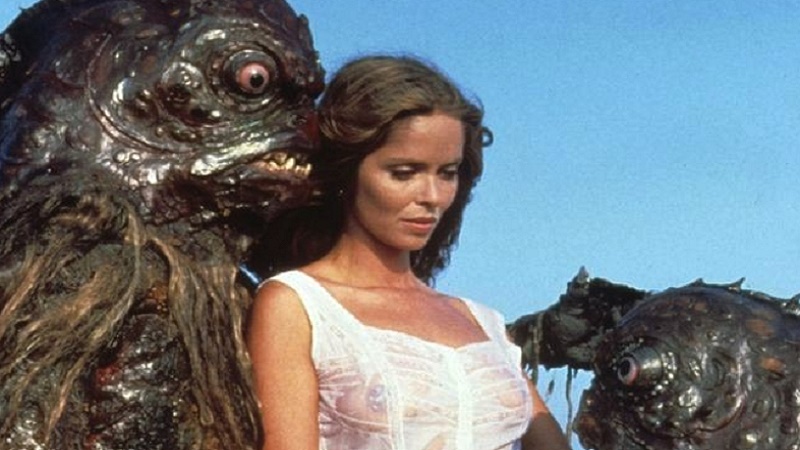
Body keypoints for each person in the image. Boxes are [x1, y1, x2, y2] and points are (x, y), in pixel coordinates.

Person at [246, 55, 571, 450]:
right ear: (346, 171)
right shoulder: (299, 304)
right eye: (404, 173)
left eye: (447, 173)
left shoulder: (482, 322)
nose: (432, 197)